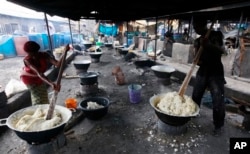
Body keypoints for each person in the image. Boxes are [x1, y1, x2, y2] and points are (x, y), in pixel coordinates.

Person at [191, 19, 226, 136]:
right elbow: (198, 59)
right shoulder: (197, 41)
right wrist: (196, 59)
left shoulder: (216, 35)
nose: (196, 29)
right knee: (196, 95)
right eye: (194, 28)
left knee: (218, 99)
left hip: (216, 71)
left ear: (204, 25)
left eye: (197, 27)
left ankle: (218, 126)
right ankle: (193, 114)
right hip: (203, 70)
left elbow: (222, 51)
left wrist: (208, 45)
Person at [20, 41, 70, 105]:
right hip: (29, 79)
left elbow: (57, 64)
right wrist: (51, 83)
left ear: (37, 50)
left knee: (43, 96)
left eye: (34, 53)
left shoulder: (43, 55)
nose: (32, 56)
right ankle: (37, 110)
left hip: (40, 77)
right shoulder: (27, 60)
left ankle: (45, 109)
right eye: (29, 54)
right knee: (37, 98)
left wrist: (65, 52)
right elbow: (39, 73)